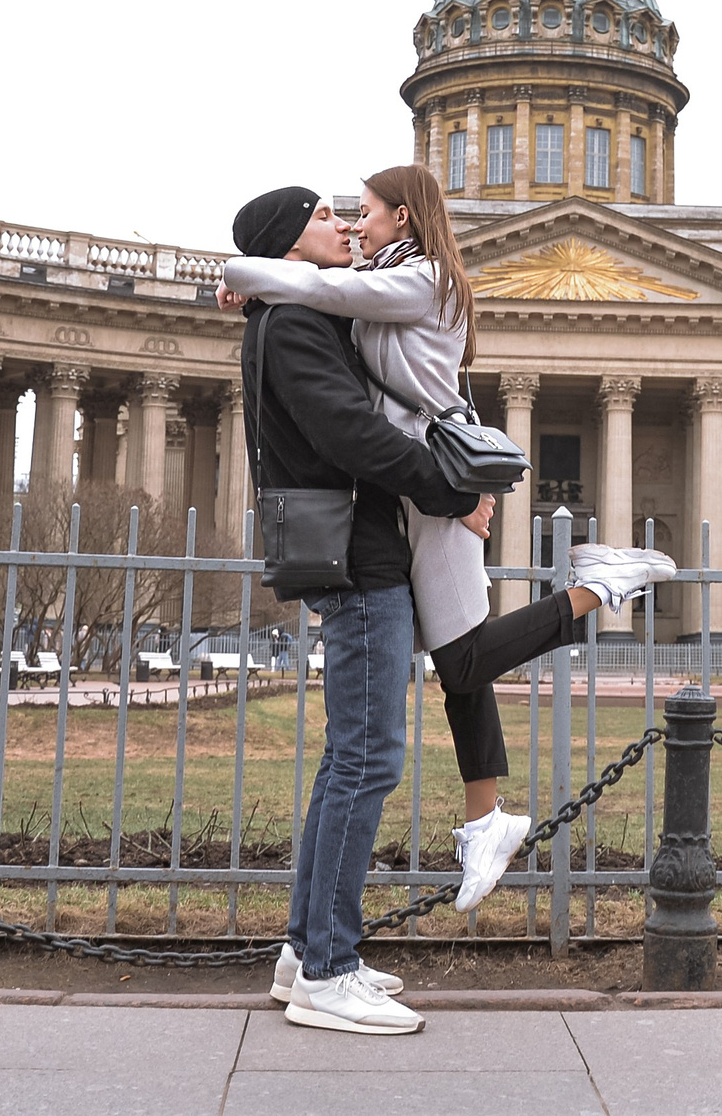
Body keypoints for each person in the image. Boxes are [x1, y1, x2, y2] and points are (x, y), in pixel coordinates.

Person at [222, 165, 676, 918]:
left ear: (402, 216)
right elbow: (321, 296)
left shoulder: (420, 279)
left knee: (460, 659)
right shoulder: (380, 277)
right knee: (458, 661)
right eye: (337, 215)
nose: (352, 223)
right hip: (416, 492)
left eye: (364, 211)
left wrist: (243, 275)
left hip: (434, 487)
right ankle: (484, 819)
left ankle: (600, 584)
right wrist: (255, 288)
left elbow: (319, 290)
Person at [230, 185, 493, 1036]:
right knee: (368, 760)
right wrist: (452, 489)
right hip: (362, 559)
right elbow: (352, 433)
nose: (343, 224)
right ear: (285, 244)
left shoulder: (297, 314)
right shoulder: (296, 324)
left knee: (347, 759)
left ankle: (305, 952)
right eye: (320, 217)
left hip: (355, 552)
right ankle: (330, 971)